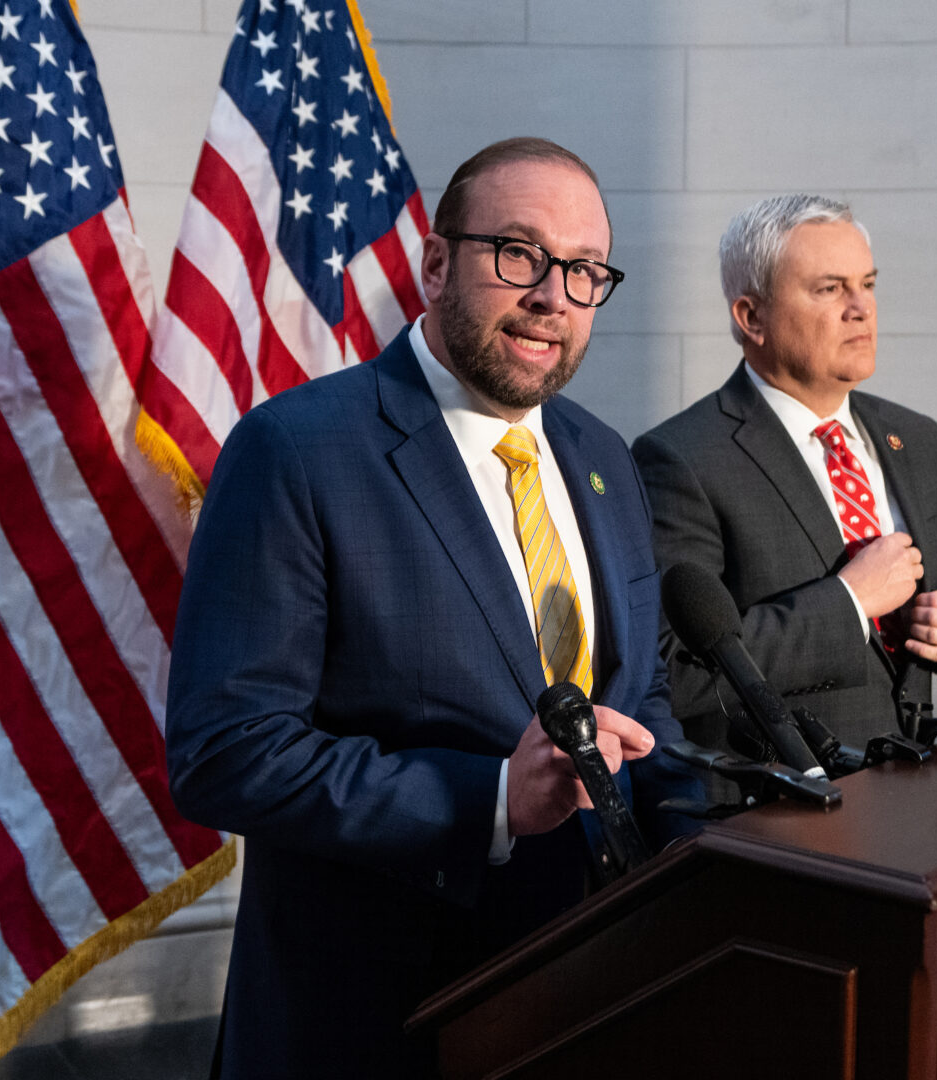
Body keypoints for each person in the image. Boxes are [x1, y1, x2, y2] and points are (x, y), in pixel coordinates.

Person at [165, 138, 699, 1078]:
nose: (551, 296)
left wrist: (719, 843)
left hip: (585, 994)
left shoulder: (605, 457)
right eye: (520, 254)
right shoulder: (296, 449)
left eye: (582, 272)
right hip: (377, 1024)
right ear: (438, 263)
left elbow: (639, 701)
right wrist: (492, 800)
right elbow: (228, 751)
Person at [633, 194, 937, 762]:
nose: (862, 309)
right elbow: (675, 669)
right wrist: (849, 601)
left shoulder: (920, 441)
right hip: (781, 818)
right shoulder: (680, 458)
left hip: (923, 804)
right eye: (830, 289)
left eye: (868, 284)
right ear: (751, 317)